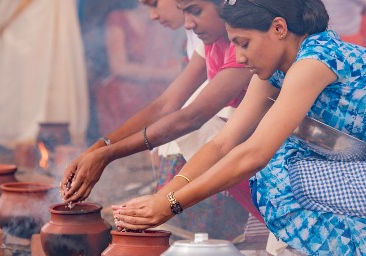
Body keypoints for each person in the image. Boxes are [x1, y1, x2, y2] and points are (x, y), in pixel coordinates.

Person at [113, 0, 366, 255]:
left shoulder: (315, 60)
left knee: (276, 174)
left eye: (243, 43)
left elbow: (254, 154)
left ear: (279, 28)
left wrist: (172, 205)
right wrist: (164, 198)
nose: (237, 57)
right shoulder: (280, 68)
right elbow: (224, 143)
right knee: (281, 160)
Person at [61, 0, 261, 238]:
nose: (188, 23)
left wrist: (109, 155)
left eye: (195, 11)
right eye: (184, 12)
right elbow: (165, 105)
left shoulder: (247, 45)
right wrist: (99, 148)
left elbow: (193, 116)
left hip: (268, 151)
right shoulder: (209, 41)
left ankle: (237, 224)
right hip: (246, 142)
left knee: (199, 132)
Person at [0, 0, 89, 147]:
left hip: (38, 16)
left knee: (39, 68)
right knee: (32, 72)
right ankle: (44, 141)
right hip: (28, 19)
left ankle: (49, 139)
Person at [94, 2, 183, 136]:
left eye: (155, 4)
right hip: (123, 94)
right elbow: (119, 67)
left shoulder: (161, 24)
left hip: (153, 92)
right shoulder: (118, 18)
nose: (153, 13)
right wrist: (166, 74)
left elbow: (170, 60)